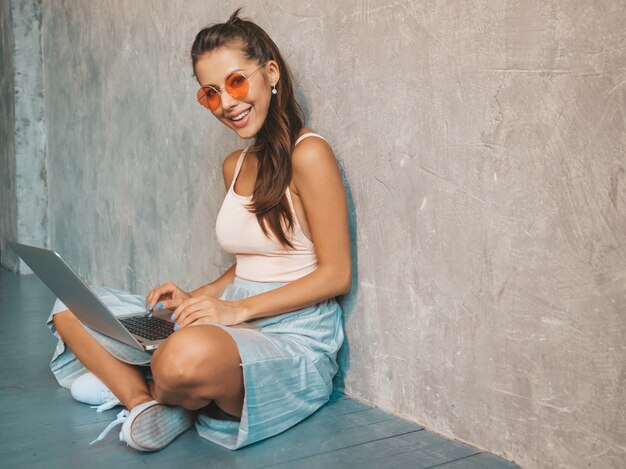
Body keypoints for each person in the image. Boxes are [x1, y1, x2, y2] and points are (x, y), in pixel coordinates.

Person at [47, 8, 351, 452]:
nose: (226, 103)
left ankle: (152, 387)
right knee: (69, 307)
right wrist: (198, 298)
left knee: (183, 358)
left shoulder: (310, 154)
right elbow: (245, 267)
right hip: (233, 316)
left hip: (294, 332)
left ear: (271, 73)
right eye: (210, 93)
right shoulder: (235, 165)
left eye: (235, 82)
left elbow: (336, 274)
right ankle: (144, 404)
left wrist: (235, 313)